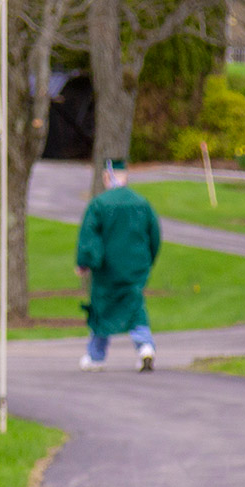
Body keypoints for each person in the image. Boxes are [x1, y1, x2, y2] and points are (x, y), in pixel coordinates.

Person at [75, 159, 160, 373]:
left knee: (102, 308)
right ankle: (145, 346)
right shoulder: (141, 203)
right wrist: (147, 261)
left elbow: (90, 236)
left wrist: (85, 262)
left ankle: (96, 356)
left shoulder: (100, 204)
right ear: (126, 176)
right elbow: (154, 236)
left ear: (106, 177)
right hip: (134, 267)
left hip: (108, 269)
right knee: (134, 306)